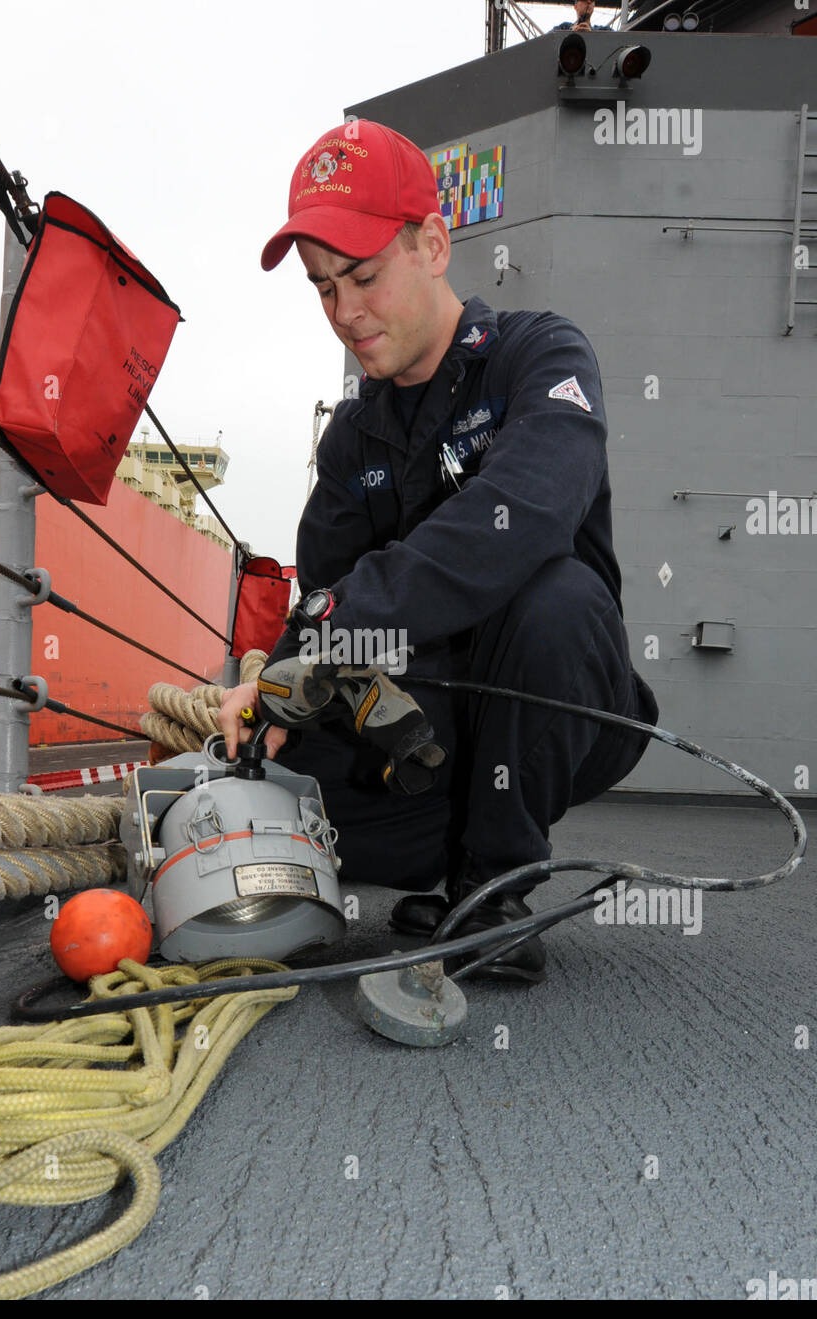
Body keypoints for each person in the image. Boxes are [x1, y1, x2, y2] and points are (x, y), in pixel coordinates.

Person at [218, 119, 658, 983]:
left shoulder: (541, 355)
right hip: (427, 729)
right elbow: (326, 593)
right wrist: (272, 686)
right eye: (322, 287)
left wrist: (337, 623)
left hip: (560, 706)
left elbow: (523, 515)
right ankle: (445, 867)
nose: (345, 312)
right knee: (277, 796)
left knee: (554, 595)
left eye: (364, 275)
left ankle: (494, 889)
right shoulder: (354, 438)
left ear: (432, 242)